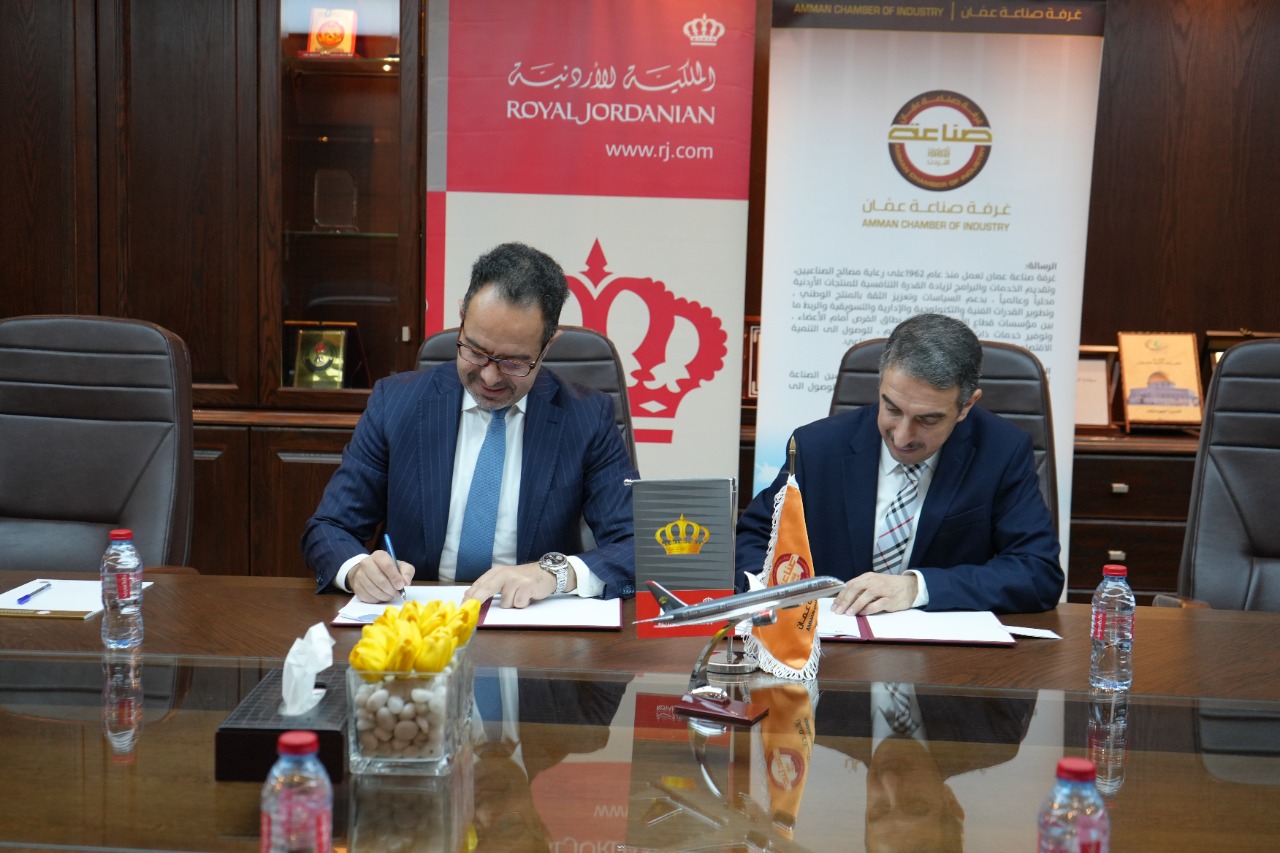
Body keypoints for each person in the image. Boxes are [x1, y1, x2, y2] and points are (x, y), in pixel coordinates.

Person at [302, 242, 637, 607]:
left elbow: (635, 544)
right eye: (476, 351)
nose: (490, 377)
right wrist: (356, 569)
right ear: (462, 316)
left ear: (548, 345)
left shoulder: (586, 417)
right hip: (417, 618)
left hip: (530, 621)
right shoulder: (395, 403)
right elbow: (330, 527)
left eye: (514, 362)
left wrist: (555, 573)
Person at [735, 313, 1062, 614]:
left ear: (966, 406)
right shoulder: (816, 447)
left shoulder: (1001, 452)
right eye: (892, 409)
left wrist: (917, 587)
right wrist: (777, 599)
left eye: (928, 419)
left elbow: (1038, 572)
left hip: (941, 651)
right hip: (829, 640)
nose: (903, 437)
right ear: (881, 386)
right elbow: (756, 539)